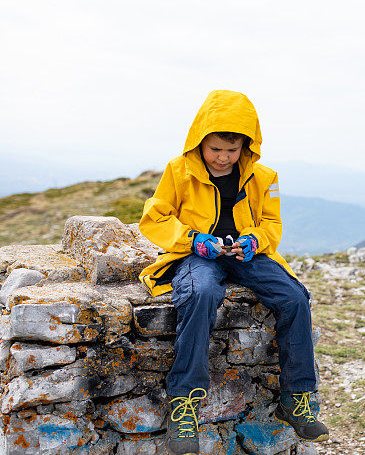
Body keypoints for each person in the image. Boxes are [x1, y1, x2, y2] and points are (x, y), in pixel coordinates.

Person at [138, 90, 328, 455]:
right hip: (198, 255)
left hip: (245, 255)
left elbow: (271, 222)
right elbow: (155, 217)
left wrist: (255, 240)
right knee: (201, 292)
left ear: (247, 145)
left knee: (294, 297)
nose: (223, 158)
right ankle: (184, 404)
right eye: (215, 150)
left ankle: (296, 397)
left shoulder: (264, 176)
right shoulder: (179, 171)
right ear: (199, 143)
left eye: (233, 149)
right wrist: (193, 239)